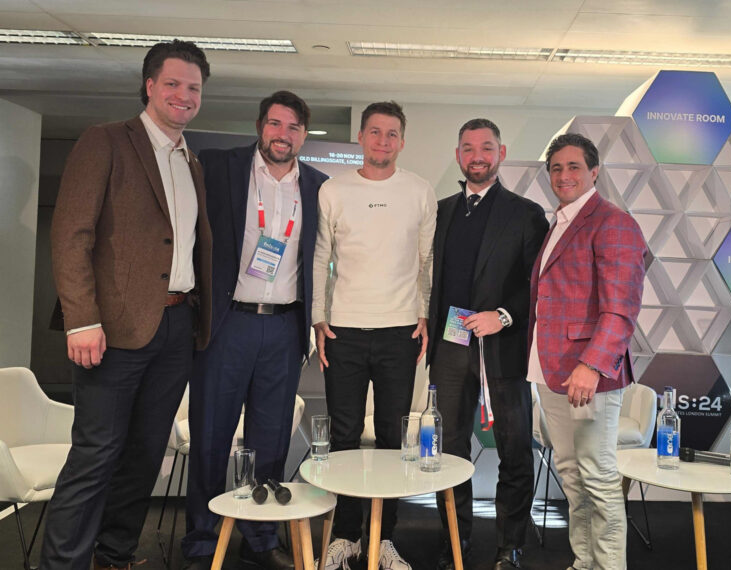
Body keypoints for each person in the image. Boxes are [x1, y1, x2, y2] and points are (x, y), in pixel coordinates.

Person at [42, 40, 213, 569]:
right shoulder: (107, 141)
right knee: (96, 456)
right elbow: (71, 233)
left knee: (145, 454)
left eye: (193, 87)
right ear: (149, 85)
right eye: (173, 84)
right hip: (113, 329)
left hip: (176, 325)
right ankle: (62, 564)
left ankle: (114, 556)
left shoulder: (191, 162)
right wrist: (81, 320)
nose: (184, 95)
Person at [179, 90, 329, 570]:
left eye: (293, 127)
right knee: (210, 435)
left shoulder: (319, 186)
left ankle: (260, 538)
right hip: (228, 323)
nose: (283, 135)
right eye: (275, 124)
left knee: (271, 439)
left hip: (284, 327)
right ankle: (203, 541)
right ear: (260, 126)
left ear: (303, 136)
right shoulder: (218, 166)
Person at [313, 101, 436, 570]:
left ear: (402, 141)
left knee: (392, 437)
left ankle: (383, 539)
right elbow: (321, 256)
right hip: (343, 330)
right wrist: (319, 320)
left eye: (392, 134)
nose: (383, 141)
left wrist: (424, 314)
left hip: (399, 331)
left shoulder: (419, 191)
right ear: (361, 137)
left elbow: (426, 261)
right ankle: (345, 536)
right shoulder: (334, 190)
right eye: (375, 132)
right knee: (343, 436)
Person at [425, 119, 549, 570]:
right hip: (451, 343)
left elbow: (539, 283)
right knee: (449, 451)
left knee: (514, 450)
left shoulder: (526, 213)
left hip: (504, 345)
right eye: (468, 147)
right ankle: (454, 543)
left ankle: (509, 546)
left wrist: (504, 315)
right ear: (458, 155)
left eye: (486, 147)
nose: (477, 155)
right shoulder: (440, 211)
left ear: (501, 153)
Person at [528, 133, 646, 570]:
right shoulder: (559, 222)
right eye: (556, 168)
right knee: (572, 476)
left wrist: (592, 365)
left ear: (594, 172)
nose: (564, 175)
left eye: (574, 166)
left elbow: (621, 307)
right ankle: (584, 562)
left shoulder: (613, 222)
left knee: (598, 477)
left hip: (587, 375)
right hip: (550, 370)